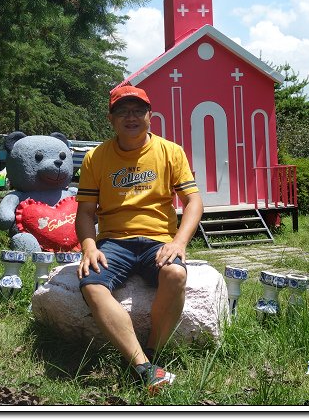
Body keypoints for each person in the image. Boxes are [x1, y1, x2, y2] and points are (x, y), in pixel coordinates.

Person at [75, 84, 203, 394]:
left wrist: (179, 242)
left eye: (138, 111)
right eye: (123, 112)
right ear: (111, 119)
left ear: (150, 116)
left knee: (174, 273)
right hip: (114, 242)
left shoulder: (170, 151)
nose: (130, 117)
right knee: (91, 284)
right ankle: (143, 366)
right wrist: (89, 246)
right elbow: (86, 212)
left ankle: (155, 353)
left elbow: (194, 202)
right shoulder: (96, 157)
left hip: (157, 239)